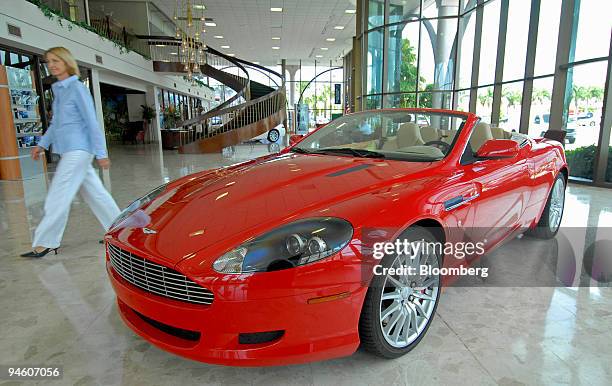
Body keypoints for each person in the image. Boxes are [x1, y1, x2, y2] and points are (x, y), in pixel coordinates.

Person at [20, 47, 121, 258]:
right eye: (49, 61)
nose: (52, 65)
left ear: (67, 62)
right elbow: (56, 124)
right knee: (96, 194)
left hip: (79, 150)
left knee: (59, 194)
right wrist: (42, 144)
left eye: (57, 60)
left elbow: (92, 122)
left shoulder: (77, 88)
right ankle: (119, 231)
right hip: (69, 150)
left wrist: (101, 153)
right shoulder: (59, 91)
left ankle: (45, 243)